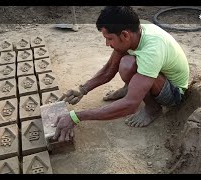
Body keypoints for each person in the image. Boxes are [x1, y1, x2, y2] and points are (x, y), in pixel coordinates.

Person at [52, 6, 190, 142]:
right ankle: (132, 87)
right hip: (158, 73)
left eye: (109, 39)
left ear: (124, 35)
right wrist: (83, 89)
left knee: (129, 65)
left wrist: (76, 117)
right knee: (125, 62)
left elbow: (130, 105)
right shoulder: (134, 31)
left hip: (173, 93)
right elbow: (109, 69)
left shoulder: (152, 50)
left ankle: (152, 108)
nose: (107, 43)